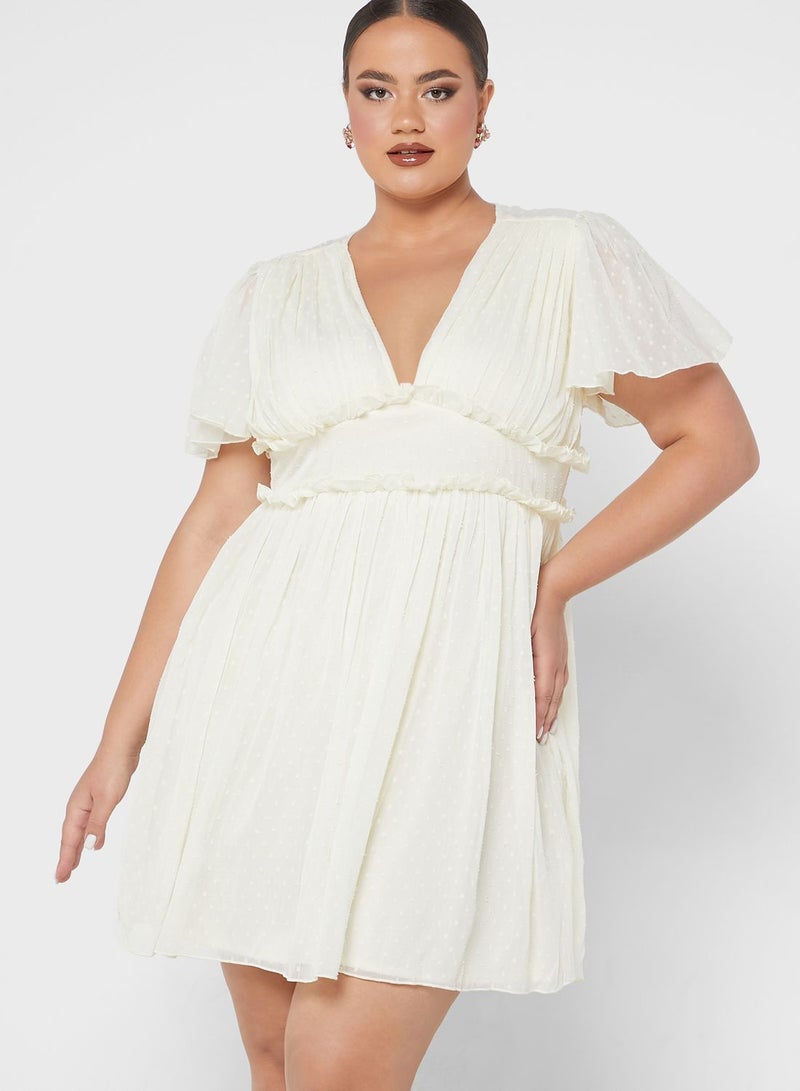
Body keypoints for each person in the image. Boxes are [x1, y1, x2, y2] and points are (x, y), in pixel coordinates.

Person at [54, 1, 759, 1088]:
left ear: (484, 104)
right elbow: (215, 518)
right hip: (266, 690)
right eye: (375, 91)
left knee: (336, 1066)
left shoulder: (565, 255)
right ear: (344, 113)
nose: (407, 117)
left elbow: (716, 444)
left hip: (447, 690)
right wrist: (120, 741)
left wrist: (555, 581)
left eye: (438, 88)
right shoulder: (275, 291)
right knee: (274, 1056)